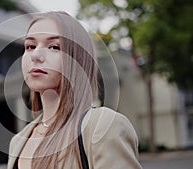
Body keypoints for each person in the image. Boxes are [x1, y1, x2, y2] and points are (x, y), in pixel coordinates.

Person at [7, 11, 142, 169]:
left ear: (78, 59)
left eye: (54, 47)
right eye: (30, 46)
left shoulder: (102, 127)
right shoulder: (18, 141)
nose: (36, 55)